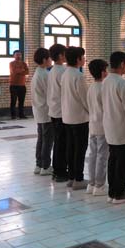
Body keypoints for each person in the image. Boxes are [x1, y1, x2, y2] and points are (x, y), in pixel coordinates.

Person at [102, 51, 125, 204]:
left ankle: (112, 192)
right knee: (122, 162)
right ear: (122, 64)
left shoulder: (106, 81)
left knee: (113, 160)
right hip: (121, 129)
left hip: (109, 126)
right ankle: (120, 193)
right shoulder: (123, 84)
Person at [61, 47, 89, 190]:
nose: (84, 59)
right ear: (78, 59)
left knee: (70, 148)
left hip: (67, 117)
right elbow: (85, 99)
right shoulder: (78, 76)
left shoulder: (65, 74)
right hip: (79, 118)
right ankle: (78, 178)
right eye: (83, 57)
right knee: (80, 149)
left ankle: (71, 177)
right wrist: (92, 112)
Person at [86, 59, 109, 197]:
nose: (107, 72)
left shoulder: (91, 87)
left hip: (93, 125)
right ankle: (99, 185)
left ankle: (91, 183)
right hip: (102, 126)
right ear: (102, 72)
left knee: (93, 155)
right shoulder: (103, 88)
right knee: (102, 156)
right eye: (106, 70)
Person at [47, 44, 68, 183]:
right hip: (61, 112)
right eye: (65, 53)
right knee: (62, 144)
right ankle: (60, 172)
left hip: (54, 110)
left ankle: (57, 171)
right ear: (60, 56)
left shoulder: (52, 70)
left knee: (58, 143)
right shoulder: (62, 71)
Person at [31, 48, 53, 176]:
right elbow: (50, 94)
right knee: (47, 140)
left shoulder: (37, 73)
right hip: (45, 111)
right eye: (49, 58)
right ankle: (45, 166)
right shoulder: (45, 74)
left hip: (39, 110)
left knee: (41, 139)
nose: (51, 60)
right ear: (45, 60)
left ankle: (38, 165)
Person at [9, 50, 29, 119]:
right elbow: (14, 71)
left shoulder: (24, 63)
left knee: (21, 101)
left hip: (22, 85)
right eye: (17, 54)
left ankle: (21, 115)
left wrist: (20, 71)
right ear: (14, 56)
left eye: (20, 55)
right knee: (13, 101)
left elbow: (27, 72)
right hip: (13, 85)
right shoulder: (11, 63)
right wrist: (22, 70)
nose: (18, 56)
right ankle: (13, 115)